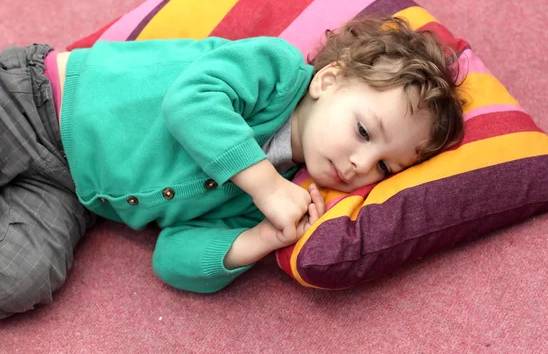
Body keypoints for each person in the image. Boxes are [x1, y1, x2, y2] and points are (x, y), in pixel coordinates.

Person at [0, 16, 464, 318]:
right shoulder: (274, 69)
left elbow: (172, 258)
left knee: (24, 278)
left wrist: (262, 237)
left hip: (70, 189)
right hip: (36, 102)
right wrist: (264, 187)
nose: (360, 163)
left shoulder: (283, 189)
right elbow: (189, 103)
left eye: (384, 167)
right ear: (330, 80)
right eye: (364, 131)